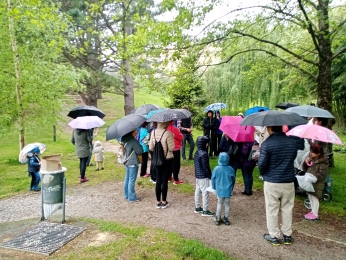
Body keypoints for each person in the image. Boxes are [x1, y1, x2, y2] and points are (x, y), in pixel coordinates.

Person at [258, 125, 297, 246]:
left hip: (272, 182)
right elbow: (293, 158)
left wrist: (264, 173)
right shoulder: (292, 142)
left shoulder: (267, 143)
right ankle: (287, 235)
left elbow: (262, 165)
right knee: (287, 208)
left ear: (270, 128)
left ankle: (274, 236)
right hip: (288, 181)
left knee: (272, 209)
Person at [149, 122, 175, 209]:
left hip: (157, 159)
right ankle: (164, 201)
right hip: (167, 159)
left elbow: (151, 147)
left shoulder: (153, 132)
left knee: (158, 180)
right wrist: (172, 138)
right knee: (164, 180)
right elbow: (172, 148)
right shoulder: (168, 133)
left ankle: (158, 201)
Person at [302, 143, 328, 221]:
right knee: (310, 196)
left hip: (317, 184)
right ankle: (312, 211)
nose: (311, 153)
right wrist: (306, 163)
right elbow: (305, 169)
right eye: (311, 151)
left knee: (315, 198)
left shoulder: (323, 163)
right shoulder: (312, 159)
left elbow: (322, 174)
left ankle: (315, 214)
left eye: (313, 152)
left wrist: (315, 178)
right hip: (310, 183)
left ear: (318, 153)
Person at [211, 152, 235, 225]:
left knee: (219, 203)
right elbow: (233, 180)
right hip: (228, 190)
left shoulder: (216, 169)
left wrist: (214, 187)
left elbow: (213, 179)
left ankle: (218, 218)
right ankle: (226, 218)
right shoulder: (231, 169)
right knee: (227, 204)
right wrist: (232, 188)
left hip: (219, 189)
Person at [194, 136, 214, 216]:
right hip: (203, 177)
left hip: (197, 176)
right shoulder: (204, 154)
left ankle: (197, 207)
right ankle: (205, 210)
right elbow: (206, 167)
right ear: (205, 144)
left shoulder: (197, 152)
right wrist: (210, 176)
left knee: (197, 190)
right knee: (205, 193)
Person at [121, 130, 143, 202]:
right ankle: (132, 197)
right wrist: (140, 145)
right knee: (131, 180)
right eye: (135, 130)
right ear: (132, 132)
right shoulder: (133, 141)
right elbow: (140, 151)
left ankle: (126, 195)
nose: (136, 132)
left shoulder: (123, 139)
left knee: (127, 179)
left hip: (126, 161)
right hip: (133, 162)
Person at [167, 120, 184, 185]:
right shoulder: (174, 128)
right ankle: (176, 179)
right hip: (175, 148)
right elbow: (181, 137)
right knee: (176, 164)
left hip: (168, 148)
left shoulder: (165, 128)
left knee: (169, 163)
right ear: (172, 121)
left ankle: (168, 177)